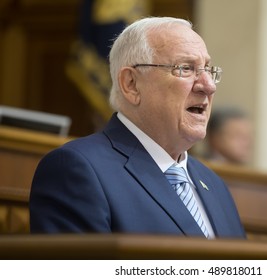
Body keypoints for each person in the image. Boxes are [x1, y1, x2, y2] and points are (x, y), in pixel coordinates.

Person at [29, 17, 246, 239]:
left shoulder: (214, 184)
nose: (209, 86)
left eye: (208, 70)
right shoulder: (77, 170)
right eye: (186, 68)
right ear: (131, 84)